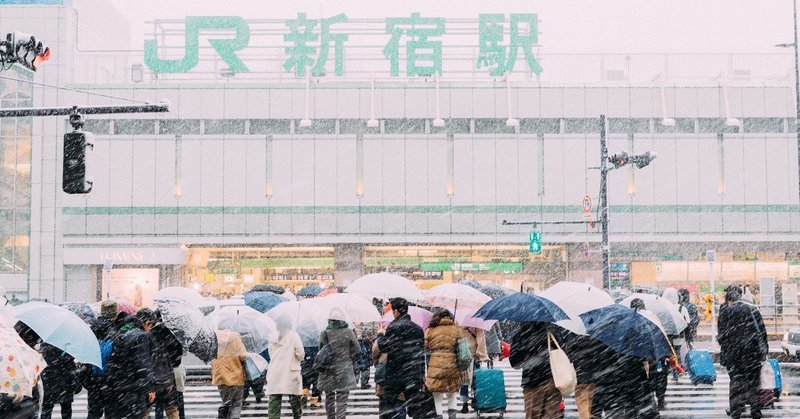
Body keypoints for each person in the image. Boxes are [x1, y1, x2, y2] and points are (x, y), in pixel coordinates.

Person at [718, 287, 768, 419]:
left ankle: (736, 411)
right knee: (753, 383)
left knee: (736, 383)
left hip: (733, 356)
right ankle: (755, 411)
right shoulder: (753, 310)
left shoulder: (725, 312)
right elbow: (762, 332)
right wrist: (764, 351)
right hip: (751, 354)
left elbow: (721, 336)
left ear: (729, 300)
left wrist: (726, 351)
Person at [377, 297, 425, 419]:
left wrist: (380, 335)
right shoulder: (418, 329)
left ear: (396, 311)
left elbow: (384, 348)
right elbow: (421, 353)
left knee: (390, 406)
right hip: (413, 373)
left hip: (395, 374)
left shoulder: (393, 327)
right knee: (415, 408)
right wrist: (422, 374)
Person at [104, 312, 156, 419]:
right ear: (146, 323)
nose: (150, 329)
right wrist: (150, 387)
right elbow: (143, 364)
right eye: (151, 325)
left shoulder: (117, 334)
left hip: (115, 385)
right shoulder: (141, 336)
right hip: (133, 387)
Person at [510, 322, 562, 419]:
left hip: (531, 382)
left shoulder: (520, 335)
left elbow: (514, 363)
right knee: (552, 415)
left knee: (533, 415)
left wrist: (527, 357)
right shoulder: (552, 333)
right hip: (552, 380)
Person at [137, 309, 182, 419]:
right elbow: (177, 358)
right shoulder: (170, 333)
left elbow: (143, 362)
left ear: (148, 323)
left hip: (151, 381)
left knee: (145, 411)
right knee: (172, 410)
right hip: (168, 380)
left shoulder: (144, 337)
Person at [318, 308, 360, 419]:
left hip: (329, 369)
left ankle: (330, 417)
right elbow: (357, 349)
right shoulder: (348, 332)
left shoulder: (325, 333)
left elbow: (321, 350)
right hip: (344, 368)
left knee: (329, 397)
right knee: (342, 398)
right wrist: (348, 354)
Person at [424, 308, 462, 419]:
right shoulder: (456, 329)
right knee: (452, 396)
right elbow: (463, 348)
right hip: (452, 366)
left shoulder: (430, 330)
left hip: (435, 366)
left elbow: (425, 346)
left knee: (437, 397)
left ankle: (439, 416)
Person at [83, 299, 117, 419]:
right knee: (111, 412)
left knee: (94, 412)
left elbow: (86, 354)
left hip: (94, 377)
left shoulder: (92, 329)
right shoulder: (116, 329)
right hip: (111, 377)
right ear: (115, 313)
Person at [265, 316, 305, 419]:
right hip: (290, 371)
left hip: (275, 370)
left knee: (274, 399)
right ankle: (297, 416)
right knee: (295, 397)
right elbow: (300, 354)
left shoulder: (272, 336)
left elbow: (271, 353)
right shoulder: (294, 336)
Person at [212, 330, 247, 419]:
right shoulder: (235, 336)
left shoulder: (214, 336)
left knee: (226, 402)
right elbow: (242, 355)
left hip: (220, 374)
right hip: (235, 373)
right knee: (236, 404)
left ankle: (224, 414)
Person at [39, 343, 80, 419]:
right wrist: (76, 383)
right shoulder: (66, 351)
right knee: (66, 410)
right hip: (65, 385)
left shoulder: (44, 351)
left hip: (48, 385)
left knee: (47, 409)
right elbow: (72, 370)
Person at [458, 325, 489, 413]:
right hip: (474, 354)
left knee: (464, 378)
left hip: (463, 353)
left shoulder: (459, 321)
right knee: (476, 378)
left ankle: (464, 403)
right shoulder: (477, 322)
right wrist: (482, 354)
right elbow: (481, 339)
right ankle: (475, 400)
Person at [355, 320, 380, 389]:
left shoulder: (357, 317)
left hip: (362, 342)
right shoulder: (372, 317)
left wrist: (359, 336)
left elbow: (356, 329)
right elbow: (376, 329)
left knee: (361, 362)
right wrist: (373, 337)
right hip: (367, 342)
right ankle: (364, 382)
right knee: (365, 363)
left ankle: (359, 381)